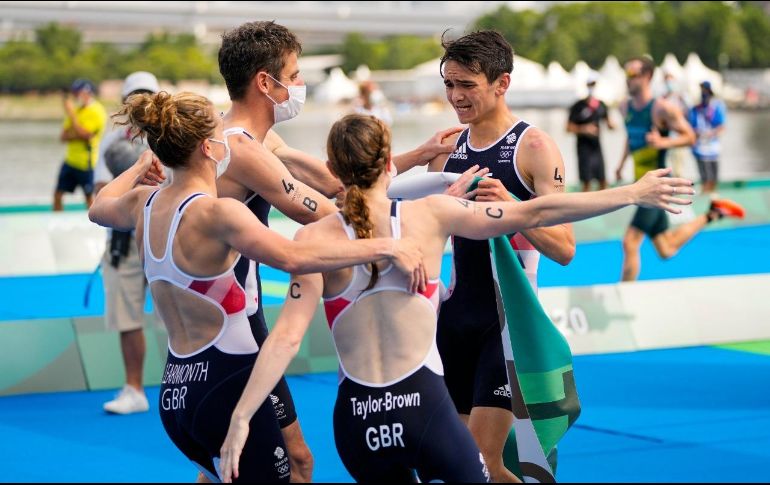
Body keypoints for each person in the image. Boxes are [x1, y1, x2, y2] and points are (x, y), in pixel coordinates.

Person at [218, 113, 696, 483]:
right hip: (424, 411)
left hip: (356, 424)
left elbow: (285, 339)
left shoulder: (311, 240)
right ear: (389, 162)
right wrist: (631, 193)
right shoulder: (432, 216)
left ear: (333, 171)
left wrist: (241, 418)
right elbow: (540, 211)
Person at [88, 92, 427, 483]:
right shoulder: (218, 213)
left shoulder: (142, 204)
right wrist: (388, 246)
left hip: (176, 392)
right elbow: (294, 258)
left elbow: (98, 207)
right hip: (226, 382)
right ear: (208, 148)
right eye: (221, 135)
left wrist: (139, 167)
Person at [214, 20, 462, 482]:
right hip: (235, 329)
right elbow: (336, 212)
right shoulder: (242, 150)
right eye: (294, 75)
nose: (300, 85)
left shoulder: (255, 138)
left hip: (240, 318)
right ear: (265, 83)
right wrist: (423, 216)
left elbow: (338, 180)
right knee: (285, 463)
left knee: (243, 466)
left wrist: (413, 159)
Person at [391, 30, 576, 482]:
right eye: (449, 84)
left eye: (467, 85)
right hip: (453, 320)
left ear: (501, 83)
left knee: (482, 461)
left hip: (506, 325)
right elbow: (411, 220)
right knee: (454, 464)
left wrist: (513, 209)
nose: (455, 96)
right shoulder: (447, 150)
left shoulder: (534, 147)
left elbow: (565, 248)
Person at [614, 56, 745, 282]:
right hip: (640, 183)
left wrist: (663, 142)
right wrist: (620, 164)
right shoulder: (624, 107)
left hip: (656, 186)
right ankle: (712, 214)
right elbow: (631, 136)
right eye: (626, 74)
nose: (628, 79)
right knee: (666, 248)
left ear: (647, 76)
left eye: (633, 74)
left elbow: (690, 137)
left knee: (630, 242)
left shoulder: (661, 109)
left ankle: (626, 293)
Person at [93, 71, 161, 415]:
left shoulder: (175, 137)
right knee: (127, 316)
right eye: (134, 97)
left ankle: (188, 385)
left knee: (181, 314)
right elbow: (100, 192)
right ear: (124, 103)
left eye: (147, 95)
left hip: (167, 235)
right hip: (124, 240)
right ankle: (134, 389)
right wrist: (134, 178)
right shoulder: (111, 142)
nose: (141, 103)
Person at [53, 78, 107, 211]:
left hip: (87, 163)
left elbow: (86, 136)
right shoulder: (76, 109)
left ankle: (94, 221)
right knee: (58, 194)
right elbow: (63, 136)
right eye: (75, 93)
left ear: (87, 93)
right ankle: (56, 220)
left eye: (78, 93)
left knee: (89, 198)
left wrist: (72, 117)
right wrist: (76, 132)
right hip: (70, 161)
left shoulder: (97, 111)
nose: (76, 96)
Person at [567, 72, 614, 191]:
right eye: (590, 84)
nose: (592, 87)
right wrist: (584, 129)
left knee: (602, 180)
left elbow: (609, 123)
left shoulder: (601, 104)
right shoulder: (578, 106)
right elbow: (568, 128)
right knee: (586, 182)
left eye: (594, 84)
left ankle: (604, 202)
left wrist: (614, 125)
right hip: (584, 149)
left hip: (597, 148)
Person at [689, 80, 727, 194]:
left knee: (714, 177)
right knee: (705, 177)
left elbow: (722, 126)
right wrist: (697, 134)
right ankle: (706, 193)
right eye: (702, 91)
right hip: (699, 148)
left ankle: (712, 194)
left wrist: (712, 133)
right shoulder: (695, 109)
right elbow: (690, 127)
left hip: (713, 147)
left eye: (706, 91)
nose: (704, 94)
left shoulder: (717, 108)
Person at [661, 71, 690, 178]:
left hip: (679, 137)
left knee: (679, 167)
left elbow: (689, 111)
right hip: (666, 138)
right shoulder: (662, 99)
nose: (669, 84)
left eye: (671, 81)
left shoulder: (681, 97)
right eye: (667, 81)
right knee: (666, 167)